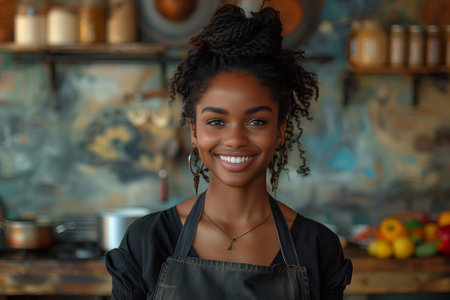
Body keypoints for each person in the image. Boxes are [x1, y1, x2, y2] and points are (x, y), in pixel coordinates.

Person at [106, 3, 352, 300]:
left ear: (280, 131)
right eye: (216, 122)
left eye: (256, 121)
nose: (235, 139)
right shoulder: (148, 241)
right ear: (194, 132)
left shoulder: (317, 247)